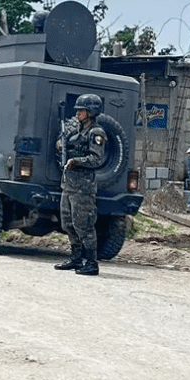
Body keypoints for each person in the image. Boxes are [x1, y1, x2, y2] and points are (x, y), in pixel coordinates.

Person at [54, 94, 108, 275]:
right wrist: (62, 146)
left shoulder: (96, 133)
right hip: (69, 185)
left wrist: (77, 161)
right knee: (67, 223)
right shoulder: (77, 132)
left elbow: (96, 159)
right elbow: (69, 147)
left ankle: (91, 262)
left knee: (83, 224)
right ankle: (76, 258)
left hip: (83, 187)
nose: (78, 113)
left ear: (91, 112)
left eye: (81, 110)